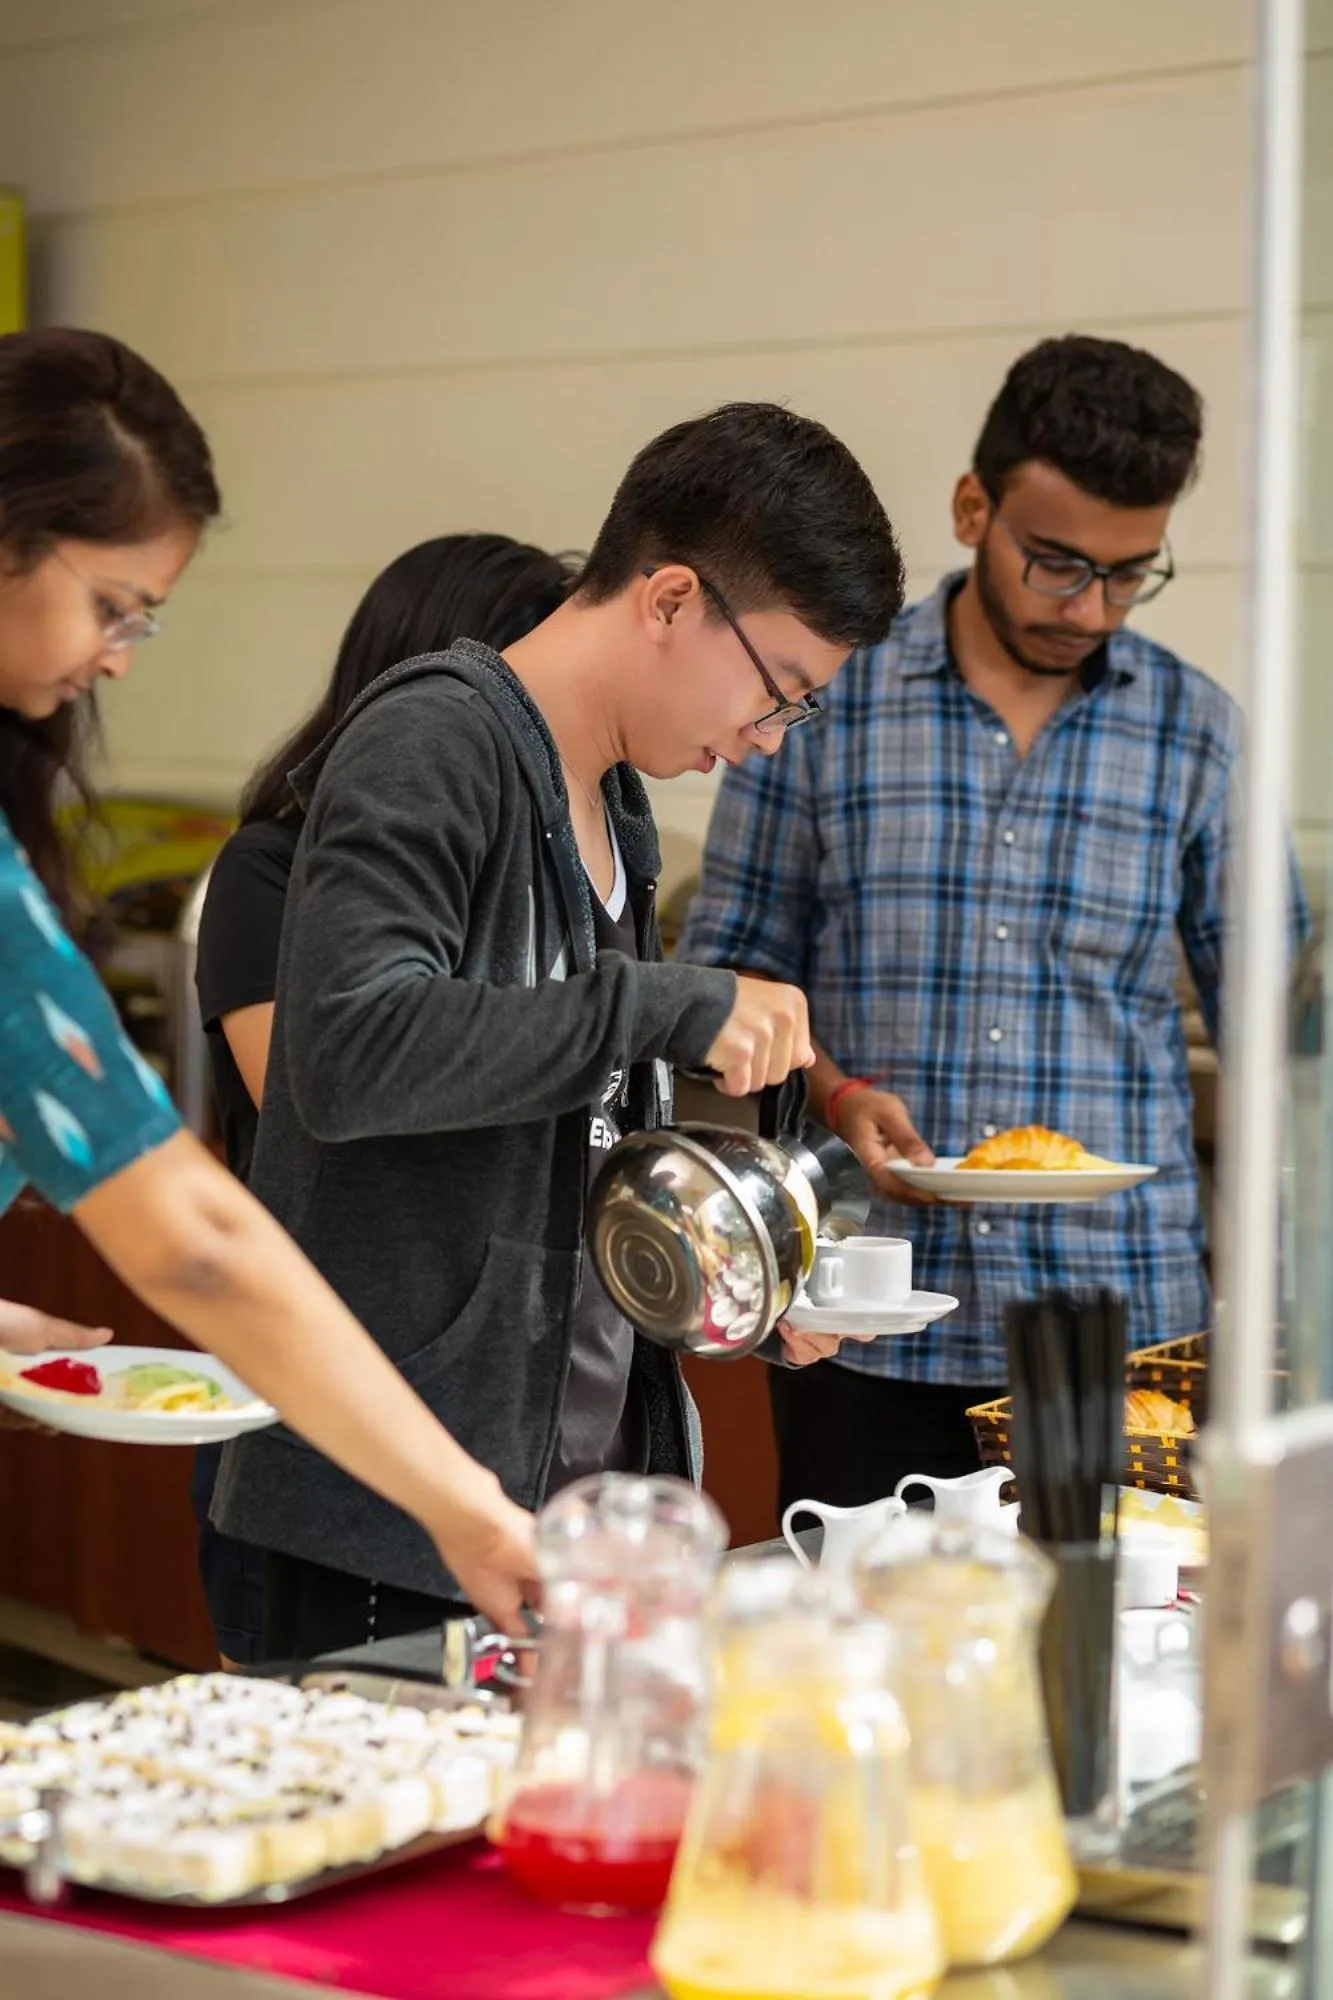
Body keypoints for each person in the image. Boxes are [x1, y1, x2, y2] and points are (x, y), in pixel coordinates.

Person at [212, 401, 906, 1661]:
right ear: (671, 600)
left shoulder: (616, 804)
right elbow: (345, 1054)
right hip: (397, 1510)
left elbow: (561, 1138)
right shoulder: (438, 737)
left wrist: (738, 1288)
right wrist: (666, 1000)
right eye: (778, 689)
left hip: (560, 1502)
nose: (761, 740)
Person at [681, 334, 1309, 1515]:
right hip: (869, 1319)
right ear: (975, 508)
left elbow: (1283, 1032)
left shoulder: (1197, 732)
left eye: (1131, 574)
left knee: (1106, 1671)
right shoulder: (824, 699)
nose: (1092, 606)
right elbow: (733, 973)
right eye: (1059, 563)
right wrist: (835, 1090)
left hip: (1114, 1331)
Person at [0, 325, 538, 1632]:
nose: (120, 655)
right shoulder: (267, 873)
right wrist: (464, 1505)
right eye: (113, 605)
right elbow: (196, 1240)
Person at [191, 532, 576, 1666]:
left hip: (456, 1404)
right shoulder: (272, 871)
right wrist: (613, 1021)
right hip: (311, 1377)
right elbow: (324, 1097)